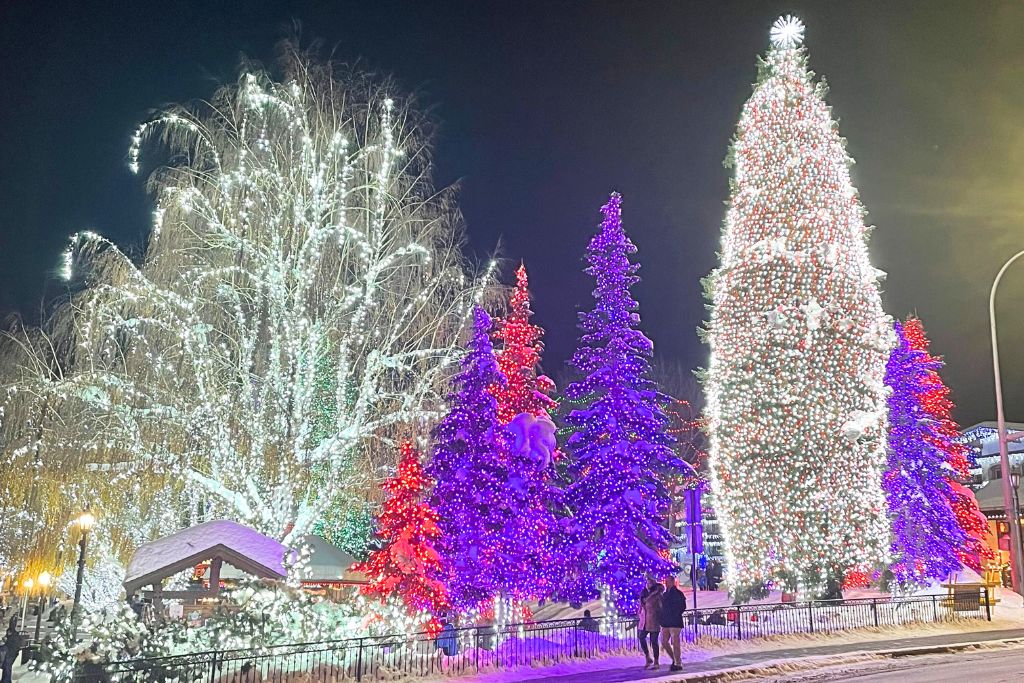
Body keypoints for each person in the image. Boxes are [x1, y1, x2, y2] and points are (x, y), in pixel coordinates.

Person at [659, 575, 687, 672]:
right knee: (664, 641)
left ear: (672, 582)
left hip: (675, 622)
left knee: (675, 642)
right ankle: (674, 659)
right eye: (665, 581)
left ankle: (678, 662)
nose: (666, 583)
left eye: (668, 581)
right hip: (666, 622)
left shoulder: (678, 594)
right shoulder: (665, 594)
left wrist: (675, 613)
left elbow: (682, 606)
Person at [637, 576, 663, 670]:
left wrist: (659, 617)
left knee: (654, 641)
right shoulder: (643, 593)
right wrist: (639, 613)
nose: (648, 585)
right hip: (644, 620)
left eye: (650, 583)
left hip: (653, 620)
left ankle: (656, 661)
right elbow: (641, 606)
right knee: (641, 637)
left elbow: (661, 607)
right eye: (647, 583)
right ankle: (648, 657)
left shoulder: (657, 595)